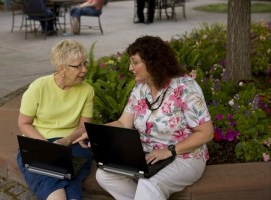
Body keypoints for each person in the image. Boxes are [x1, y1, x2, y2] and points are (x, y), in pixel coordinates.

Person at [74, 35, 214, 199]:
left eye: (135, 62)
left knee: (149, 185)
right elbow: (123, 122)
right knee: (105, 175)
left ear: (152, 62)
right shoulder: (140, 88)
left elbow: (206, 133)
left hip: (185, 156)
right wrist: (95, 133)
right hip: (147, 156)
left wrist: (169, 151)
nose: (130, 68)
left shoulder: (185, 87)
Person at [16, 39, 94, 200]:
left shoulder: (87, 90)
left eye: (84, 63)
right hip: (38, 142)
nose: (84, 69)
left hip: (72, 144)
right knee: (59, 189)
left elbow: (84, 127)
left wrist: (66, 140)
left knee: (66, 177)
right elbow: (24, 123)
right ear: (62, 69)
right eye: (78, 66)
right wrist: (46, 147)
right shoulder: (38, 87)